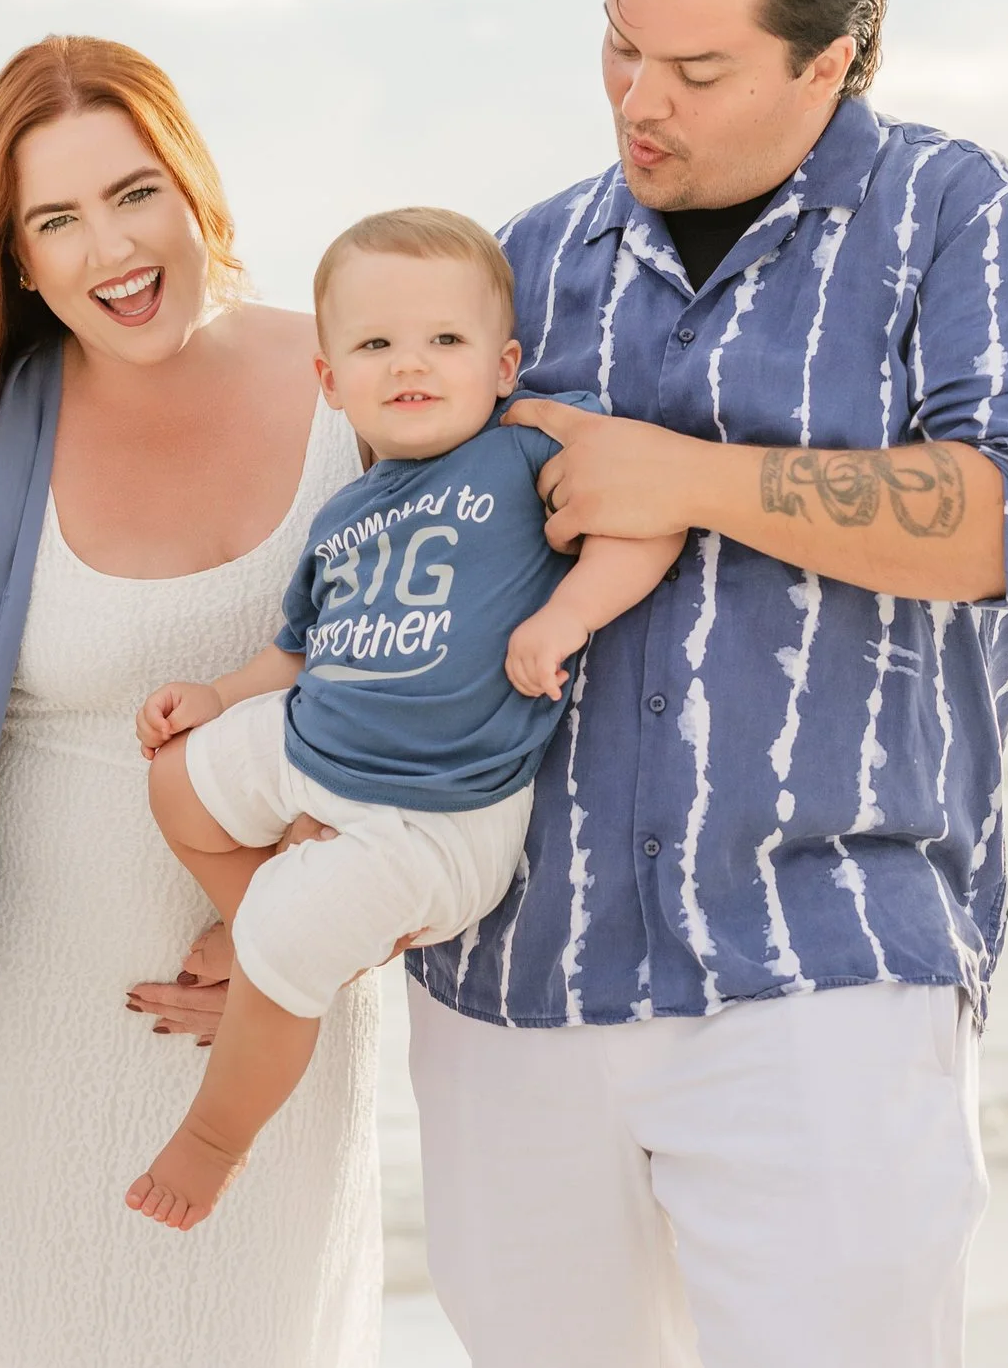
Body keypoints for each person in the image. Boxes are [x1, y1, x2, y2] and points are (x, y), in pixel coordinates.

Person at [403, 0, 1008, 1365]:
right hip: (511, 975)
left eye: (699, 67)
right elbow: (395, 572)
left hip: (828, 963)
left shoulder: (964, 215)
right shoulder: (524, 261)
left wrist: (689, 479)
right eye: (618, 46)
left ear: (833, 63)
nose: (638, 100)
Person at [0, 35, 382, 1366]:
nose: (111, 249)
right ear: (17, 260)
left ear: (196, 185)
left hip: (266, 1046)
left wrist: (320, 928)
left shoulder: (360, 388)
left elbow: (456, 715)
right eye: (57, 218)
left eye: (134, 191)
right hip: (8, 1066)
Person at [123, 208, 681, 1229]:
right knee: (176, 776)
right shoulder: (347, 509)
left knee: (297, 923)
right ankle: (261, 933)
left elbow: (648, 519)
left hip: (438, 816)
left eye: (445, 341)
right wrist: (213, 700)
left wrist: (565, 615)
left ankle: (216, 1137)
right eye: (375, 345)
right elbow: (294, 651)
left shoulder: (522, 452)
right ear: (330, 381)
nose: (410, 363)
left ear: (503, 363)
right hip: (315, 749)